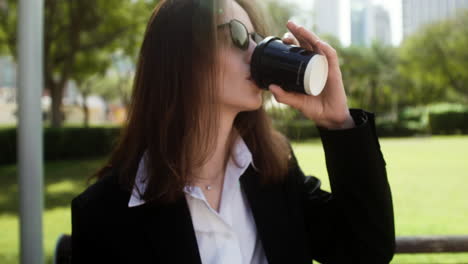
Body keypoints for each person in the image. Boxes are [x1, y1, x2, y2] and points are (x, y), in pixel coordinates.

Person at [71, 0, 395, 263]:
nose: (257, 53)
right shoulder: (105, 213)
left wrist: (338, 122)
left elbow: (366, 249)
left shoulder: (275, 172)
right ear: (181, 58)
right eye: (238, 36)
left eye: (256, 39)